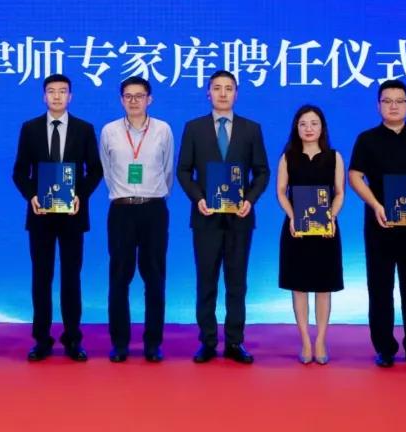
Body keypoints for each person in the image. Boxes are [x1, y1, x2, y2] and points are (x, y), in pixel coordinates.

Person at [177, 70, 269, 365]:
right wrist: (198, 198)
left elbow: (262, 172)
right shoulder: (194, 128)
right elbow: (183, 171)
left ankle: (234, 341)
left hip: (240, 218)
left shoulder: (251, 129)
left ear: (236, 94)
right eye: (217, 88)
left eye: (228, 88)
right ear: (208, 93)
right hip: (205, 217)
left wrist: (249, 200)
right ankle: (207, 341)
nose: (223, 93)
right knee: (206, 282)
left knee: (237, 283)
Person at [348, 79, 406, 368]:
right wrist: (375, 204)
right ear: (378, 106)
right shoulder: (367, 139)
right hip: (379, 223)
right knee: (379, 287)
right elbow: (354, 176)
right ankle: (385, 347)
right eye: (387, 101)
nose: (393, 106)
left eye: (399, 101)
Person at [12, 74, 104, 362]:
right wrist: (32, 195)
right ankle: (41, 340)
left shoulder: (84, 129)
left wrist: (80, 195)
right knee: (41, 278)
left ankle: (73, 339)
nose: (56, 96)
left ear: (70, 96)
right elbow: (19, 171)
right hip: (40, 214)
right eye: (51, 91)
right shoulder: (30, 128)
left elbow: (95, 170)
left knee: (71, 278)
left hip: (72, 215)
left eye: (62, 91)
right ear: (44, 96)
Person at [99, 76, 174, 363]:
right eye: (128, 96)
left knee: (154, 278)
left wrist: (150, 194)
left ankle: (153, 343)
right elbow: (107, 171)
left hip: (153, 209)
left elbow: (167, 171)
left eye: (139, 96)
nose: (134, 101)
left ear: (149, 99)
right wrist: (125, 193)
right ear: (121, 100)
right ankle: (119, 343)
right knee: (119, 277)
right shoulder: (109, 131)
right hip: (121, 210)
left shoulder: (163, 130)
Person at [275, 105, 345, 365]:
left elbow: (340, 192)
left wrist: (331, 217)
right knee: (299, 286)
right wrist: (292, 215)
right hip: (296, 229)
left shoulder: (335, 157)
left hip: (326, 229)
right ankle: (305, 340)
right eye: (303, 123)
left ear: (322, 127)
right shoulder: (288, 157)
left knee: (324, 287)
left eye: (314, 123)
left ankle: (321, 340)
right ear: (296, 127)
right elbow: (281, 191)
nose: (308, 128)